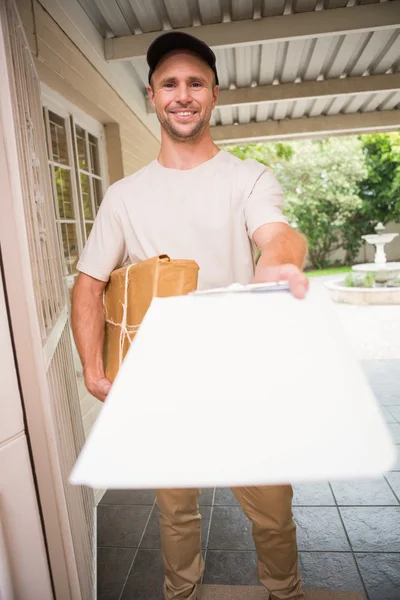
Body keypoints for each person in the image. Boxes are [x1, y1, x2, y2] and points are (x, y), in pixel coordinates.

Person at [72, 31, 308, 600]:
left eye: (195, 83)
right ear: (151, 96)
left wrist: (278, 263)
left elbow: (277, 235)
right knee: (175, 513)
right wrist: (92, 368)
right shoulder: (124, 197)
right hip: (161, 387)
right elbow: (89, 283)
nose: (183, 95)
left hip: (241, 381)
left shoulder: (247, 177)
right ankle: (182, 592)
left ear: (214, 95)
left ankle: (286, 591)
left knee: (273, 511)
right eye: (170, 84)